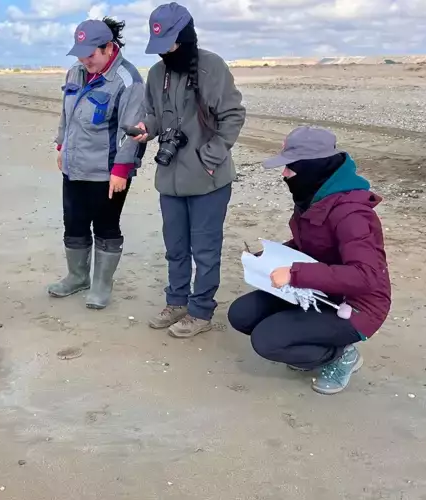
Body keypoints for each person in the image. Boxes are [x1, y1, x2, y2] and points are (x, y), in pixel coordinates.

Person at [227, 126, 392, 394]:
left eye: (289, 168)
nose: (284, 174)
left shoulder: (352, 214)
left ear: (310, 168)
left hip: (357, 306)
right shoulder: (314, 196)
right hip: (319, 290)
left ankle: (340, 356)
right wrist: (269, 257)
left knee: (266, 340)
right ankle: (307, 338)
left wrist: (294, 274)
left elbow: (366, 276)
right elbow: (308, 245)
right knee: (242, 315)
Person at [130, 3, 246, 336]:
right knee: (175, 247)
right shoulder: (156, 74)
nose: (166, 52)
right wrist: (145, 129)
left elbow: (233, 116)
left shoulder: (212, 67)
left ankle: (200, 312)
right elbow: (153, 115)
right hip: (170, 180)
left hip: (210, 180)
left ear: (186, 36)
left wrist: (211, 156)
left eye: (171, 43)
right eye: (160, 46)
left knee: (206, 250)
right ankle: (177, 302)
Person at [48, 16, 146, 310]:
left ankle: (102, 285)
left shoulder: (129, 80)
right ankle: (77, 277)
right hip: (74, 167)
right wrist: (61, 145)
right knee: (74, 224)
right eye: (80, 54)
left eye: (90, 54)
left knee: (106, 228)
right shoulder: (75, 73)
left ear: (108, 48)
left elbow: (132, 132)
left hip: (107, 172)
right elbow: (66, 114)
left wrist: (122, 170)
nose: (85, 60)